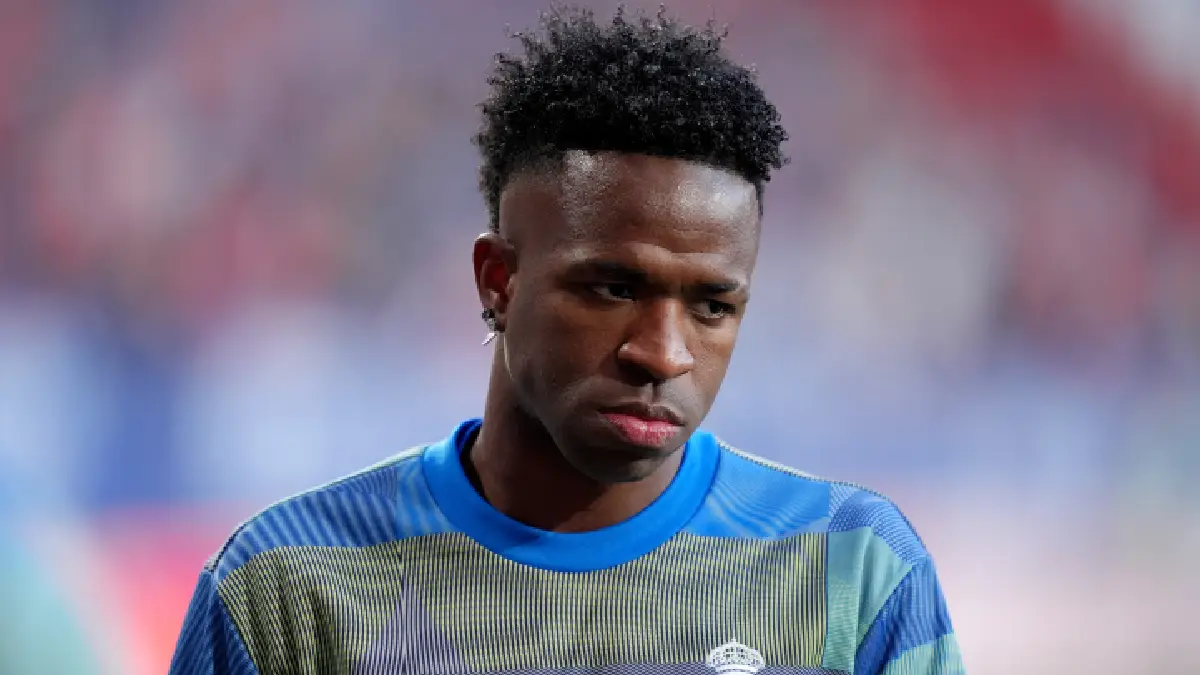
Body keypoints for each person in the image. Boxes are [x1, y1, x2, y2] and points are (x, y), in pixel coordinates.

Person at [170, 6, 965, 674]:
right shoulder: (283, 587)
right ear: (498, 280)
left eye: (712, 306)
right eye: (614, 288)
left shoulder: (854, 570)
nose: (663, 352)